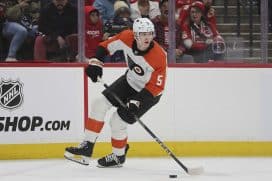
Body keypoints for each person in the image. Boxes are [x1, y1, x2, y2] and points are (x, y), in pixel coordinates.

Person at [64, 18, 167, 167]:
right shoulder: (126, 36)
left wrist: (137, 102)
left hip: (148, 93)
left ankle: (118, 157)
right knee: (99, 103)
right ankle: (87, 146)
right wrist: (95, 63)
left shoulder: (159, 56)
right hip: (129, 81)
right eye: (143, 34)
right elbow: (105, 46)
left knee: (117, 121)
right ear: (135, 34)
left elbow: (157, 87)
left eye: (150, 34)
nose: (147, 38)